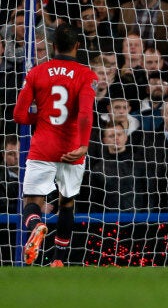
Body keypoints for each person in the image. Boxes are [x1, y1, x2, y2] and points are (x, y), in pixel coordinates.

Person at [13, 24, 98, 267]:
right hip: (72, 150)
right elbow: (84, 114)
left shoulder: (37, 73)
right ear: (77, 46)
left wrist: (39, 118)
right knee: (66, 202)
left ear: (53, 46)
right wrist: (83, 145)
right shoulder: (86, 75)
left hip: (43, 147)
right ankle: (59, 261)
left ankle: (36, 225)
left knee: (31, 200)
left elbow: (19, 115)